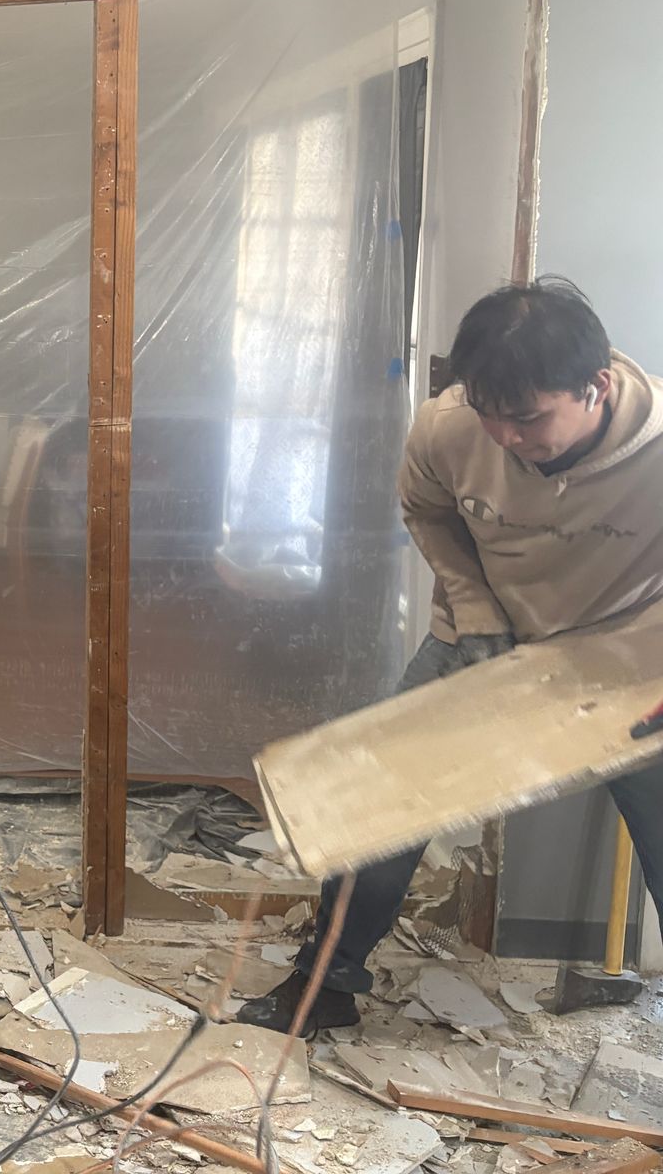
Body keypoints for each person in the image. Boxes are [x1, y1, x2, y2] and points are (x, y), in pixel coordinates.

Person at [239, 278, 663, 1035]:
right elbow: (426, 510)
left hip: (627, 659)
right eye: (490, 416)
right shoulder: (448, 426)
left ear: (597, 386)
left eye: (528, 419)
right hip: (482, 637)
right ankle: (324, 985)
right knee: (376, 806)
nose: (505, 438)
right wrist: (473, 608)